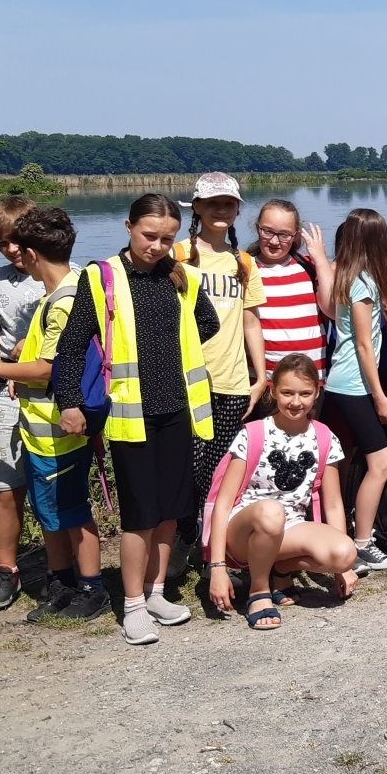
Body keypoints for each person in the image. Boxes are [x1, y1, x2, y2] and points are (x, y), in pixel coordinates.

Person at [56, 193, 220, 645]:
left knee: (171, 511)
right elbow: (71, 346)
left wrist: (169, 350)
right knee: (139, 516)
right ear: (128, 227)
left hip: (177, 410)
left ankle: (156, 591)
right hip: (131, 415)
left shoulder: (181, 277)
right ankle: (130, 604)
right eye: (149, 236)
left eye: (167, 238)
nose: (158, 246)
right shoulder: (101, 278)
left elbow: (206, 323)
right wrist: (70, 401)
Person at [0, 206, 108, 622]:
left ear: (29, 254)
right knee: (50, 511)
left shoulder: (64, 300)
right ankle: (61, 582)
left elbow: (52, 366)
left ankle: (91, 587)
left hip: (60, 430)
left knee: (73, 511)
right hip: (42, 431)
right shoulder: (61, 292)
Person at [205, 355, 357, 631]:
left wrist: (341, 570)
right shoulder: (253, 433)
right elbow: (223, 504)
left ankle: (281, 569)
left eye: (305, 393)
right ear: (272, 391)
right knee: (271, 511)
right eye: (287, 392)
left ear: (317, 393)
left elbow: (334, 505)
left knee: (345, 553)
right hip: (243, 529)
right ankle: (258, 591)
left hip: (289, 526)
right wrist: (217, 567)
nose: (296, 402)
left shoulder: (324, 437)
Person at [171, 172, 266, 577]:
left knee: (220, 472)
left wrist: (260, 376)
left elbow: (250, 321)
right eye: (212, 203)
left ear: (238, 209)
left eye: (228, 203)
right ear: (196, 207)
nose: (221, 210)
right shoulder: (175, 254)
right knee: (186, 469)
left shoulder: (243, 262)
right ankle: (182, 538)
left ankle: (214, 549)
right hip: (185, 381)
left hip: (231, 381)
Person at [319, 208, 387, 572]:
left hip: (339, 383)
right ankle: (363, 542)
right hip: (354, 385)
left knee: (342, 461)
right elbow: (365, 345)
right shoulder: (364, 283)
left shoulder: (345, 278)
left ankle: (341, 533)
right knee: (380, 462)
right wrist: (380, 396)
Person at [0, 194, 43, 611]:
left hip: (45, 390)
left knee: (53, 483)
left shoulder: (62, 274)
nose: (13, 249)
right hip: (4, 391)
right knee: (5, 484)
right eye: (4, 242)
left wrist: (21, 355)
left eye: (18, 240)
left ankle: (62, 568)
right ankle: (6, 569)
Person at [250, 198, 335, 385]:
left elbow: (332, 310)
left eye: (284, 235)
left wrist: (320, 258)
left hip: (312, 379)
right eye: (268, 231)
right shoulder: (246, 268)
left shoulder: (309, 266)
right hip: (266, 381)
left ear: (296, 236)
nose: (274, 241)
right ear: (258, 228)